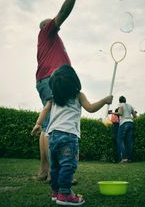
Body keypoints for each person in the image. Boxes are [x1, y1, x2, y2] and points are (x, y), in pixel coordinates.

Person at [32, 65, 113, 205]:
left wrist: (38, 124)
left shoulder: (54, 98)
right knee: (68, 165)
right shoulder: (78, 96)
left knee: (55, 165)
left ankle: (56, 192)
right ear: (74, 80)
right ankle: (65, 194)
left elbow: (45, 110)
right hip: (69, 136)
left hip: (52, 136)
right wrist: (104, 101)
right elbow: (91, 108)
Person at [35, 0, 87, 182]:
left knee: (49, 125)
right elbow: (63, 12)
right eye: (52, 23)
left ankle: (45, 171)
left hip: (47, 79)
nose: (56, 24)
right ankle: (55, 173)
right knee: (54, 126)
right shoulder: (47, 33)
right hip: (51, 79)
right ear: (45, 27)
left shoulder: (53, 43)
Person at [116, 96, 137, 163]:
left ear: (119, 101)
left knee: (120, 140)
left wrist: (112, 113)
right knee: (129, 141)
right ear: (125, 100)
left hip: (123, 123)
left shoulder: (120, 105)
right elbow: (135, 116)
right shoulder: (130, 105)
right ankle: (130, 158)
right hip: (130, 123)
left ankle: (124, 158)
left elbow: (120, 113)